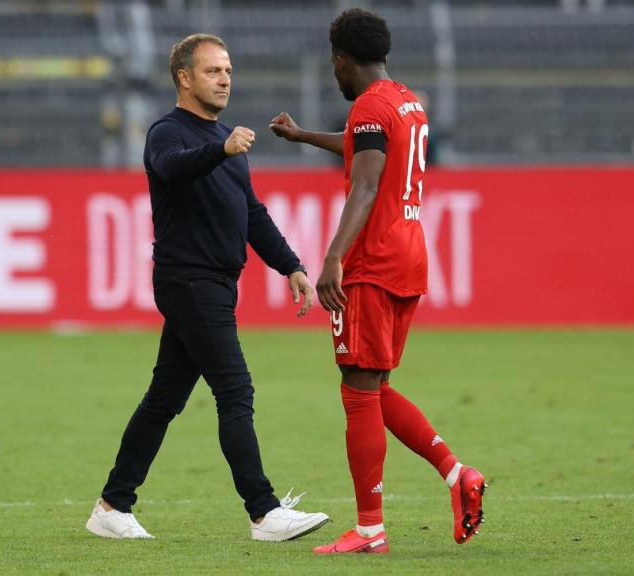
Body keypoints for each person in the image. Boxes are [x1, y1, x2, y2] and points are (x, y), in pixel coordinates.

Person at [86, 33, 329, 542]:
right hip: (188, 280)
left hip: (215, 281)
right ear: (184, 78)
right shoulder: (167, 133)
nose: (224, 79)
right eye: (213, 71)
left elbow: (252, 215)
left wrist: (291, 266)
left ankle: (113, 506)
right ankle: (264, 512)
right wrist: (221, 148)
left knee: (163, 399)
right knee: (235, 391)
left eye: (228, 71)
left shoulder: (228, 141)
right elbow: (173, 168)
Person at [270, 9, 486, 554]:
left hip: (370, 262)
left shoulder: (368, 107)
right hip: (409, 257)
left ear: (342, 59)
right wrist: (302, 136)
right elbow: (364, 145)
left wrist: (333, 258)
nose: (334, 75)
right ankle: (456, 473)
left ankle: (369, 530)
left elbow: (365, 185)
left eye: (333, 64)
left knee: (357, 391)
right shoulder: (405, 101)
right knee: (374, 386)